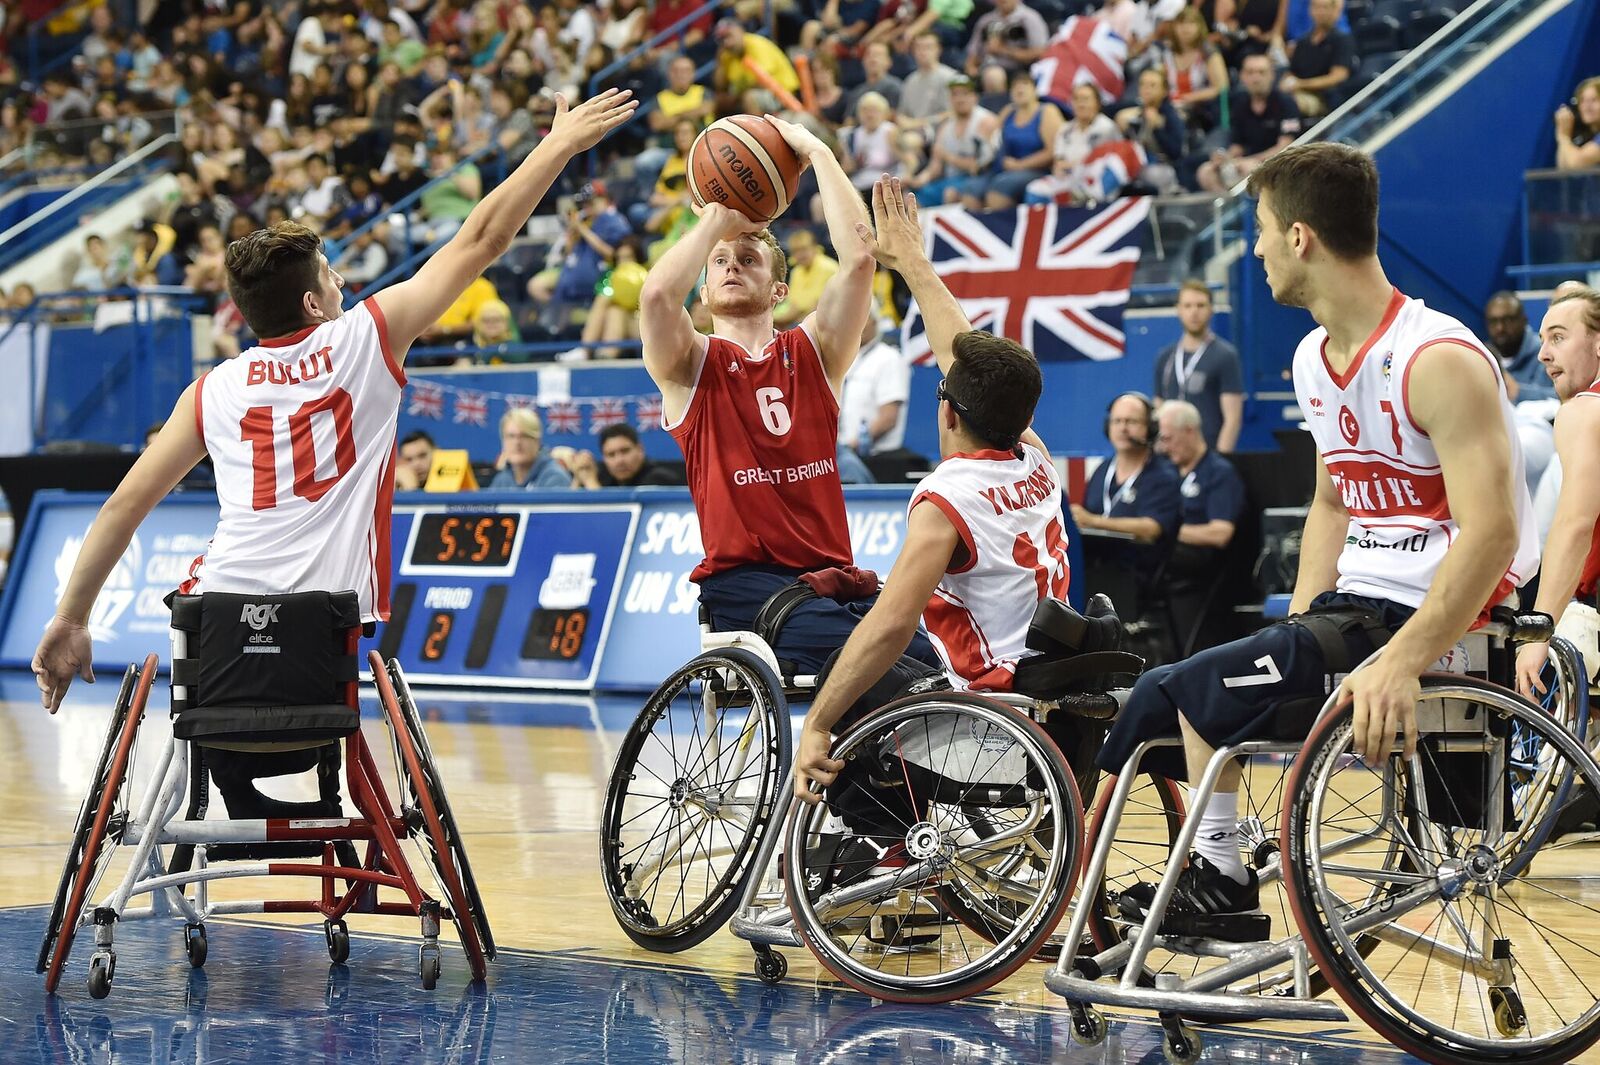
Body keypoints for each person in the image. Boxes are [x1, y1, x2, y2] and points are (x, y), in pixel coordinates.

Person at [31, 87, 638, 727]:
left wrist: (71, 617)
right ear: (314, 305)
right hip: (321, 627)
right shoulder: (366, 339)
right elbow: (483, 237)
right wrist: (560, 144)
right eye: (329, 272)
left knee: (212, 723)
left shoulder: (211, 389)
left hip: (216, 622)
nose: (342, 281)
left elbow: (124, 506)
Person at [1104, 143, 1538, 935]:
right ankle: (1200, 870)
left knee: (1193, 689)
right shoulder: (1312, 357)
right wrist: (1296, 630)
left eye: (1264, 229)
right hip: (1356, 607)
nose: (1260, 247)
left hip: (1445, 617)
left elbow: (1496, 532)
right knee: (1172, 687)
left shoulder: (1435, 357)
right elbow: (1332, 507)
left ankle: (1219, 885)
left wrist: (1402, 658)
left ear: (1300, 237)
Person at [795, 175, 1066, 800]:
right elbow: (967, 364)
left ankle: (879, 822)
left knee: (847, 648)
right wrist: (912, 263)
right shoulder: (1036, 459)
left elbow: (893, 627)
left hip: (981, 703)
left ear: (948, 413)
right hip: (1039, 676)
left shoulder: (949, 499)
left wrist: (818, 722)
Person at [638, 115, 938, 674]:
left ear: (780, 289)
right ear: (703, 290)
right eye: (720, 264)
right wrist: (717, 221)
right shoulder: (690, 365)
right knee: (878, 663)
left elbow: (858, 261)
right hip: (746, 586)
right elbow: (656, 295)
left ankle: (867, 763)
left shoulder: (815, 352)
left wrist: (817, 151)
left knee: (925, 657)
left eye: (747, 259)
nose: (731, 266)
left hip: (833, 579)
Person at [1516, 287, 1600, 698]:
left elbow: (1574, 526)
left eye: (1559, 337)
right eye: (1543, 339)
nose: (1543, 354)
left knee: (1561, 758)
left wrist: (1540, 627)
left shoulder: (1585, 411)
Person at [1072, 391, 1182, 607]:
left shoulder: (1163, 475)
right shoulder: (1102, 471)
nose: (1123, 428)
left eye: (1131, 421)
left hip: (1137, 572)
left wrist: (1092, 521)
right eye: (1117, 421)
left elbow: (1151, 528)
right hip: (1097, 564)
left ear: (1150, 428)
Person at [1152, 280, 1245, 451]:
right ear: (1178, 310)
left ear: (1211, 310)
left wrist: (1219, 461)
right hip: (1169, 456)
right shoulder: (1165, 357)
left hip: (1206, 454)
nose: (1194, 312)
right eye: (1188, 306)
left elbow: (1233, 419)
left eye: (1200, 305)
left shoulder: (1225, 356)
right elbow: (1158, 409)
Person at [1196, 53, 1301, 194]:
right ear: (1242, 77)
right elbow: (1238, 145)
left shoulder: (1286, 103)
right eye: (1250, 72)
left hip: (1279, 163)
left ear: (1272, 75)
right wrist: (1225, 157)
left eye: (1261, 72)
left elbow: (1284, 147)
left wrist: (1248, 160)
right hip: (1247, 161)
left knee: (1248, 168)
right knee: (1206, 171)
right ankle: (1229, 209)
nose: (1256, 78)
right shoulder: (1240, 104)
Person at [839, 319, 910, 456]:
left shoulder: (889, 358)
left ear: (874, 322)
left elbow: (888, 418)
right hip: (844, 452)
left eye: (863, 317)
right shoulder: (848, 358)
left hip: (875, 457)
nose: (856, 323)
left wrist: (850, 448)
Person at [1281, 0, 1354, 120]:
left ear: (1334, 11)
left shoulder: (1342, 39)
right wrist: (1285, 83)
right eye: (1317, 7)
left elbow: (1338, 76)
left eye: (1325, 8)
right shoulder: (1303, 41)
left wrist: (1301, 84)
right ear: (1310, 10)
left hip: (1323, 97)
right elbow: (1291, 71)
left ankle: (1288, 137)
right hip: (1297, 91)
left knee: (1289, 103)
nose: (1321, 12)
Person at [1483, 291, 1555, 404]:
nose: (1500, 328)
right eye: (1493, 321)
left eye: (1507, 320)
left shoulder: (1544, 352)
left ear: (1523, 320)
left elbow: (1559, 396)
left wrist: (1517, 391)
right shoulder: (1484, 356)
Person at [570, 422, 686, 488]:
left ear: (640, 449)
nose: (619, 460)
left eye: (625, 451)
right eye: (611, 455)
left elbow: (614, 519)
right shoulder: (604, 475)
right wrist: (579, 474)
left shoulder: (659, 479)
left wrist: (590, 482)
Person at [488, 408, 574, 489]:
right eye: (511, 436)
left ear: (537, 441)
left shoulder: (555, 479)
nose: (517, 443)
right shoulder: (502, 480)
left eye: (524, 436)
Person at [1555, 76, 1600, 171]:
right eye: (1583, 101)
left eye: (1594, 100)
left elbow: (1576, 164)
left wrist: (1563, 136)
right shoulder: (1589, 136)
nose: (1587, 107)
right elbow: (1564, 167)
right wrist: (1564, 133)